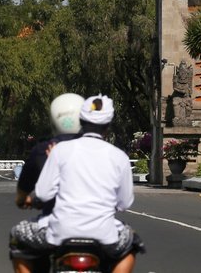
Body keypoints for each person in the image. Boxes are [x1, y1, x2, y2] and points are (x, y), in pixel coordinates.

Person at [10, 95, 140, 273]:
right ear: (108, 127)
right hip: (105, 234)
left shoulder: (59, 151)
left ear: (81, 121)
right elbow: (124, 203)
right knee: (132, 243)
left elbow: (43, 194)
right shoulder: (120, 157)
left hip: (60, 232)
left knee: (18, 236)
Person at [14, 92, 84, 212]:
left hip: (56, 223)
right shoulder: (99, 149)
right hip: (99, 224)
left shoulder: (42, 150)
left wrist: (22, 199)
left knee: (17, 231)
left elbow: (26, 192)